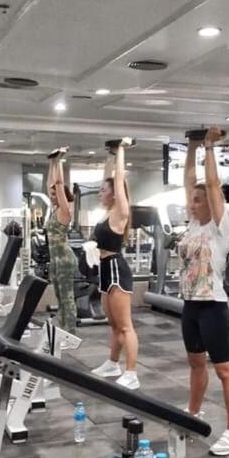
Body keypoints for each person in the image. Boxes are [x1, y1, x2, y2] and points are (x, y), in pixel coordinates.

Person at [179, 126, 229, 456]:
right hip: (191, 305)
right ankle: (193, 415)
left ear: (211, 203)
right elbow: (189, 180)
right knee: (195, 364)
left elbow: (212, 183)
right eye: (192, 199)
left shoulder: (221, 225)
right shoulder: (193, 224)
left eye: (198, 199)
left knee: (224, 369)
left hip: (213, 305)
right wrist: (191, 147)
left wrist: (208, 147)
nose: (192, 203)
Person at [90, 138, 140, 390]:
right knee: (113, 325)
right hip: (104, 270)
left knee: (125, 326)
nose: (99, 193)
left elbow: (118, 180)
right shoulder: (107, 213)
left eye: (103, 190)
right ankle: (113, 363)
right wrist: (109, 157)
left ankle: (132, 373)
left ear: (114, 194)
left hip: (117, 270)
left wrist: (120, 151)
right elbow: (110, 178)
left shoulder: (121, 212)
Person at [46, 148, 78, 334]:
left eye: (54, 194)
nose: (52, 197)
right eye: (51, 195)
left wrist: (58, 160)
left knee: (67, 296)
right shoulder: (54, 210)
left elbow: (58, 183)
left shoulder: (65, 211)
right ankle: (63, 328)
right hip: (55, 258)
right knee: (59, 295)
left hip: (64, 258)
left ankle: (70, 331)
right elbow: (51, 184)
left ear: (61, 195)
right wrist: (51, 162)